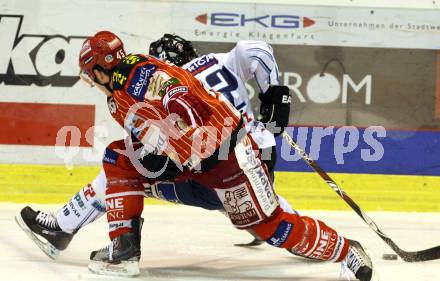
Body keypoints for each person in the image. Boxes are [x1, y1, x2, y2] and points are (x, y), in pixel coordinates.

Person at [21, 32, 373, 281]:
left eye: (89, 75)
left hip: (232, 157)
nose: (90, 81)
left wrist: (189, 136)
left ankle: (346, 253)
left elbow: (178, 97)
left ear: (98, 69)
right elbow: (160, 127)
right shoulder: (121, 90)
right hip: (200, 164)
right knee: (119, 158)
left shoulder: (143, 76)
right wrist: (164, 149)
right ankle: (122, 250)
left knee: (269, 225)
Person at [16, 33, 295, 258]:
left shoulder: (152, 89)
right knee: (251, 196)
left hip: (207, 175)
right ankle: (282, 226)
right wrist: (276, 93)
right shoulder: (216, 61)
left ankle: (64, 227)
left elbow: (162, 153)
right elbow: (255, 50)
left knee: (120, 168)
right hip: (256, 163)